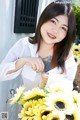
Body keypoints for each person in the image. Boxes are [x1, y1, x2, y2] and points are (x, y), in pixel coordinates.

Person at [0, 1, 77, 90]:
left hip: (53, 103)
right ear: (43, 19)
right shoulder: (25, 45)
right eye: (53, 21)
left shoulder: (66, 55)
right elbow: (1, 73)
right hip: (27, 103)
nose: (55, 30)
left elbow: (69, 86)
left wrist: (50, 79)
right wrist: (23, 61)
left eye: (63, 28)